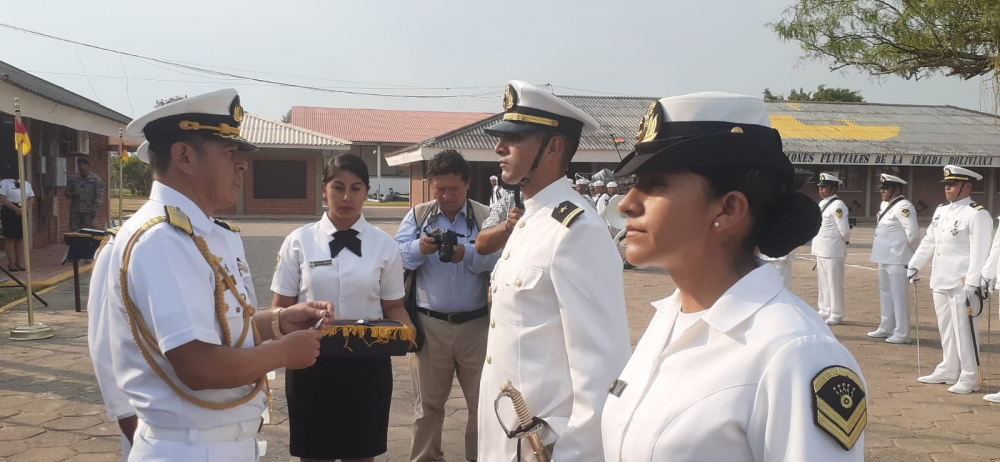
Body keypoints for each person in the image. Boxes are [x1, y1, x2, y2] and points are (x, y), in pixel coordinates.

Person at [601, 91, 866, 461]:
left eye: (655, 184)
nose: (627, 204)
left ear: (727, 209)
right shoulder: (672, 317)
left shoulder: (794, 352)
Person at [105, 89, 333, 461]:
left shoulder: (206, 233)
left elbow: (219, 330)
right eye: (229, 153)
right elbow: (198, 365)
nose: (242, 165)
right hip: (189, 447)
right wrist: (284, 353)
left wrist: (278, 322)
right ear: (184, 156)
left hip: (218, 443)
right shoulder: (163, 239)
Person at [478, 80, 631, 461]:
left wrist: (576, 455)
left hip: (544, 447)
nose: (499, 148)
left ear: (554, 147)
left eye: (514, 139)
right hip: (505, 440)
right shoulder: (532, 220)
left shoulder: (577, 230)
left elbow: (601, 368)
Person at [272, 153, 412, 462]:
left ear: (367, 191)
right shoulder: (299, 241)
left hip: (368, 364)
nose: (346, 197)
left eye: (356, 188)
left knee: (361, 454)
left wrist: (408, 331)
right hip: (309, 362)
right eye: (338, 187)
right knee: (313, 453)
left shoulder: (384, 245)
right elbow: (279, 309)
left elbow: (394, 307)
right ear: (324, 190)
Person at [394, 150, 500, 462]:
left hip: (478, 326)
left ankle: (480, 456)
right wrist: (419, 247)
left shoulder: (486, 217)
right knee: (427, 406)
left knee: (483, 402)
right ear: (431, 185)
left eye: (453, 189)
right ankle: (426, 458)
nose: (445, 195)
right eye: (439, 189)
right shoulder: (418, 216)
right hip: (430, 325)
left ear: (468, 184)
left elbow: (500, 258)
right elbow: (393, 258)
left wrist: (466, 254)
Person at [907, 165, 992, 394]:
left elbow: (980, 251)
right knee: (946, 328)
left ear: (968, 186)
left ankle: (970, 376)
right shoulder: (941, 210)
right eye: (946, 184)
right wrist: (915, 263)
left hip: (962, 282)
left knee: (965, 330)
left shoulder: (977, 213)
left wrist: (973, 282)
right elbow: (930, 240)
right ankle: (948, 368)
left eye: (952, 184)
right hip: (941, 277)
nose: (947, 188)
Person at [869, 174, 920, 343]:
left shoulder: (904, 207)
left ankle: (902, 333)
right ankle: (886, 327)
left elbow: (913, 234)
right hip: (883, 257)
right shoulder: (886, 205)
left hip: (898, 258)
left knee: (899, 297)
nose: (882, 191)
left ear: (897, 190)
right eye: (882, 188)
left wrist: (908, 256)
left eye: (886, 188)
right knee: (886, 294)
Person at [811, 173, 851, 325]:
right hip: (822, 249)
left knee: (834, 283)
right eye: (820, 187)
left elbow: (845, 231)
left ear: (834, 188)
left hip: (833, 250)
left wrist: (840, 243)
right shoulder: (822, 204)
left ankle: (836, 312)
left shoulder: (838, 206)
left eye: (824, 187)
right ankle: (825, 309)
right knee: (823, 282)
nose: (821, 189)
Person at [0, 177, 34, 271]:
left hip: (22, 209)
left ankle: (19, 262)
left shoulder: (26, 183)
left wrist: (24, 208)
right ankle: (11, 264)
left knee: (20, 237)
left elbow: (31, 198)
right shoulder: (4, 182)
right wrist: (16, 209)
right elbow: (3, 198)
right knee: (11, 237)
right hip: (9, 210)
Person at [66, 157, 105, 231]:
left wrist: (95, 209)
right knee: (74, 232)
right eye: (80, 165)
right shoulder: (73, 179)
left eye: (84, 165)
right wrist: (72, 194)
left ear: (88, 166)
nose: (81, 166)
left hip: (89, 211)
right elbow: (67, 192)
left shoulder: (95, 180)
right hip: (76, 211)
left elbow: (99, 195)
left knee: (89, 231)